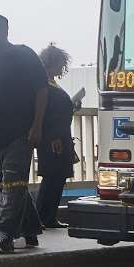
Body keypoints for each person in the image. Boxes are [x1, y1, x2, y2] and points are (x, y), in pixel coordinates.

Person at [0, 14, 47, 252]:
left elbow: (42, 89)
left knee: (13, 182)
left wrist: (37, 126)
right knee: (8, 183)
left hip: (20, 133)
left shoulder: (23, 54)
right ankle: (30, 227)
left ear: (3, 31)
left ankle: (5, 233)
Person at [35, 44, 77, 229]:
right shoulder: (44, 85)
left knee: (57, 177)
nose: (62, 68)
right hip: (53, 139)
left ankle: (48, 216)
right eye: (60, 64)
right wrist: (54, 137)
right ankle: (43, 217)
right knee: (52, 177)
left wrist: (73, 106)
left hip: (60, 136)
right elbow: (46, 115)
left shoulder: (51, 84)